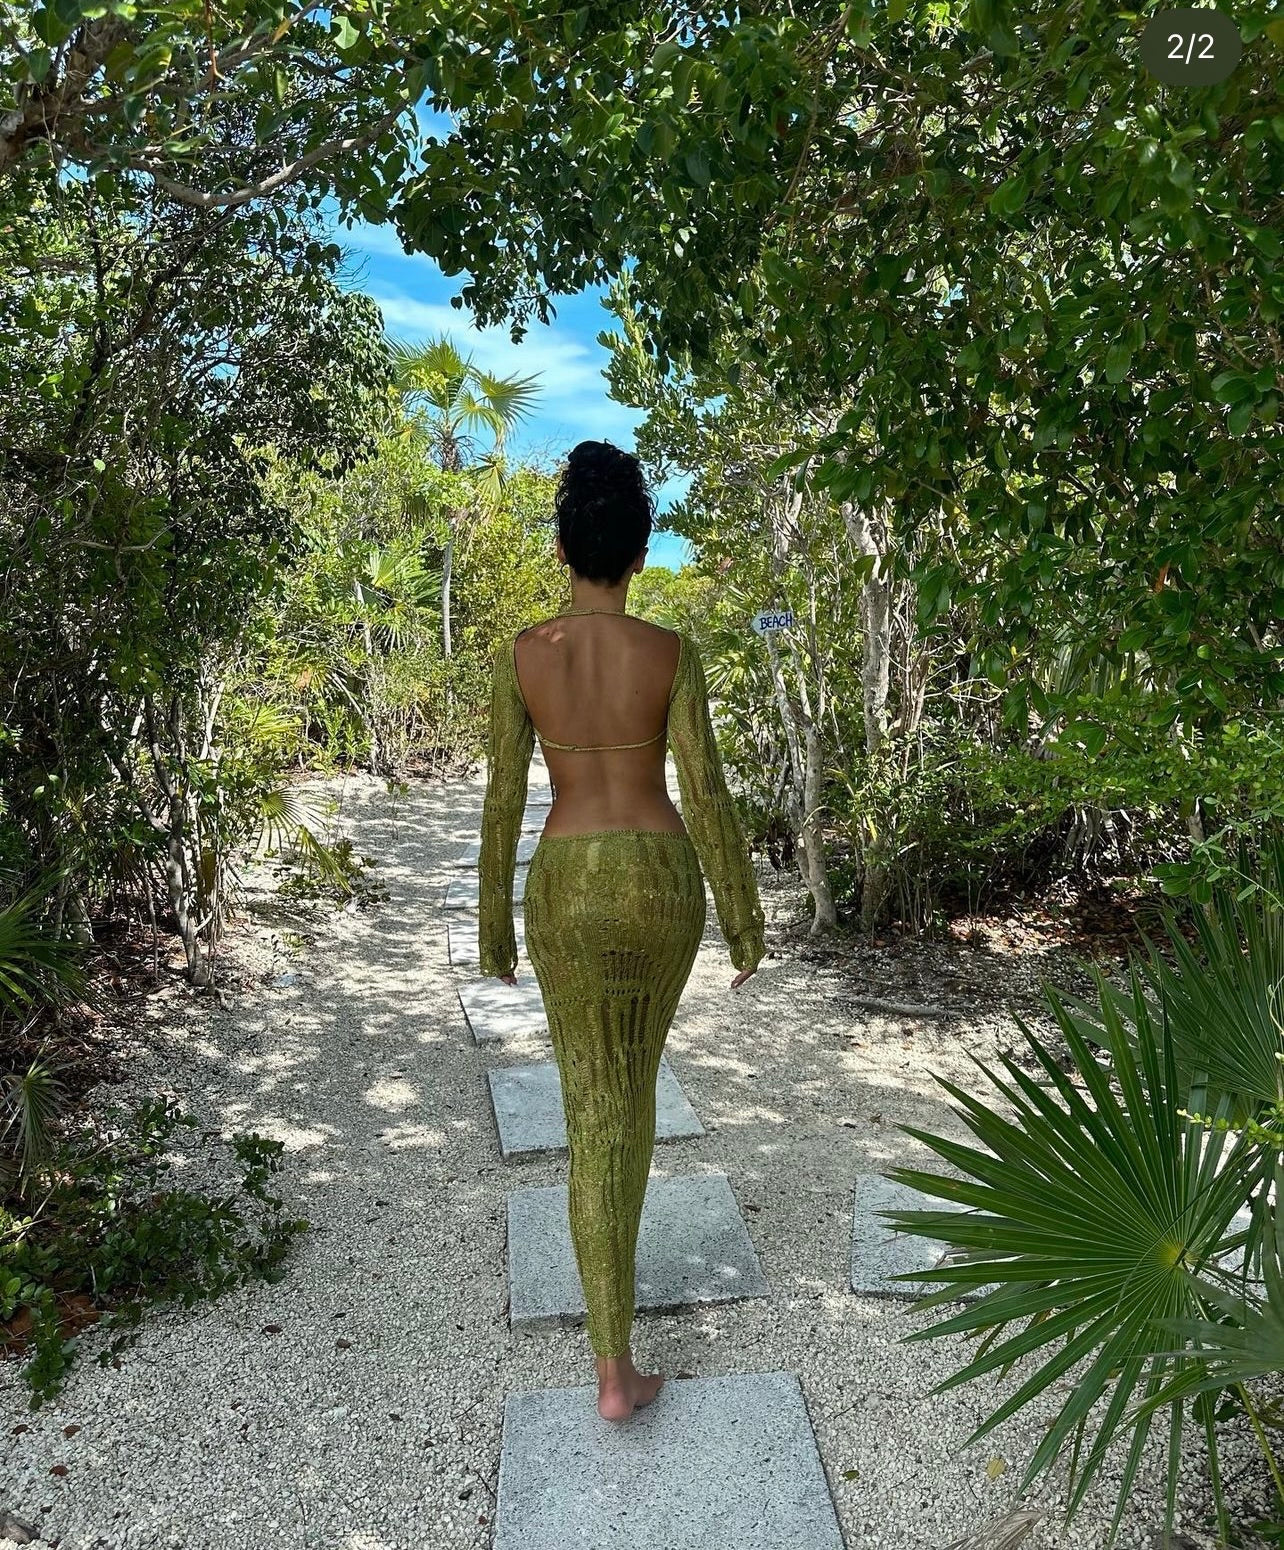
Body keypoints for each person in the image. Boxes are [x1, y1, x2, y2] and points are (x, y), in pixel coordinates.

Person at [477, 439, 766, 1423]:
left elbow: (503, 800)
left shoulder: (524, 653)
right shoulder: (671, 653)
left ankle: (613, 1366)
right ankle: (617, 1365)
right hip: (659, 881)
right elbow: (706, 789)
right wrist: (744, 922)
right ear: (640, 554)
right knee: (629, 1097)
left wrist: (492, 932)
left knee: (589, 1108)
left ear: (561, 548)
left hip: (564, 886)